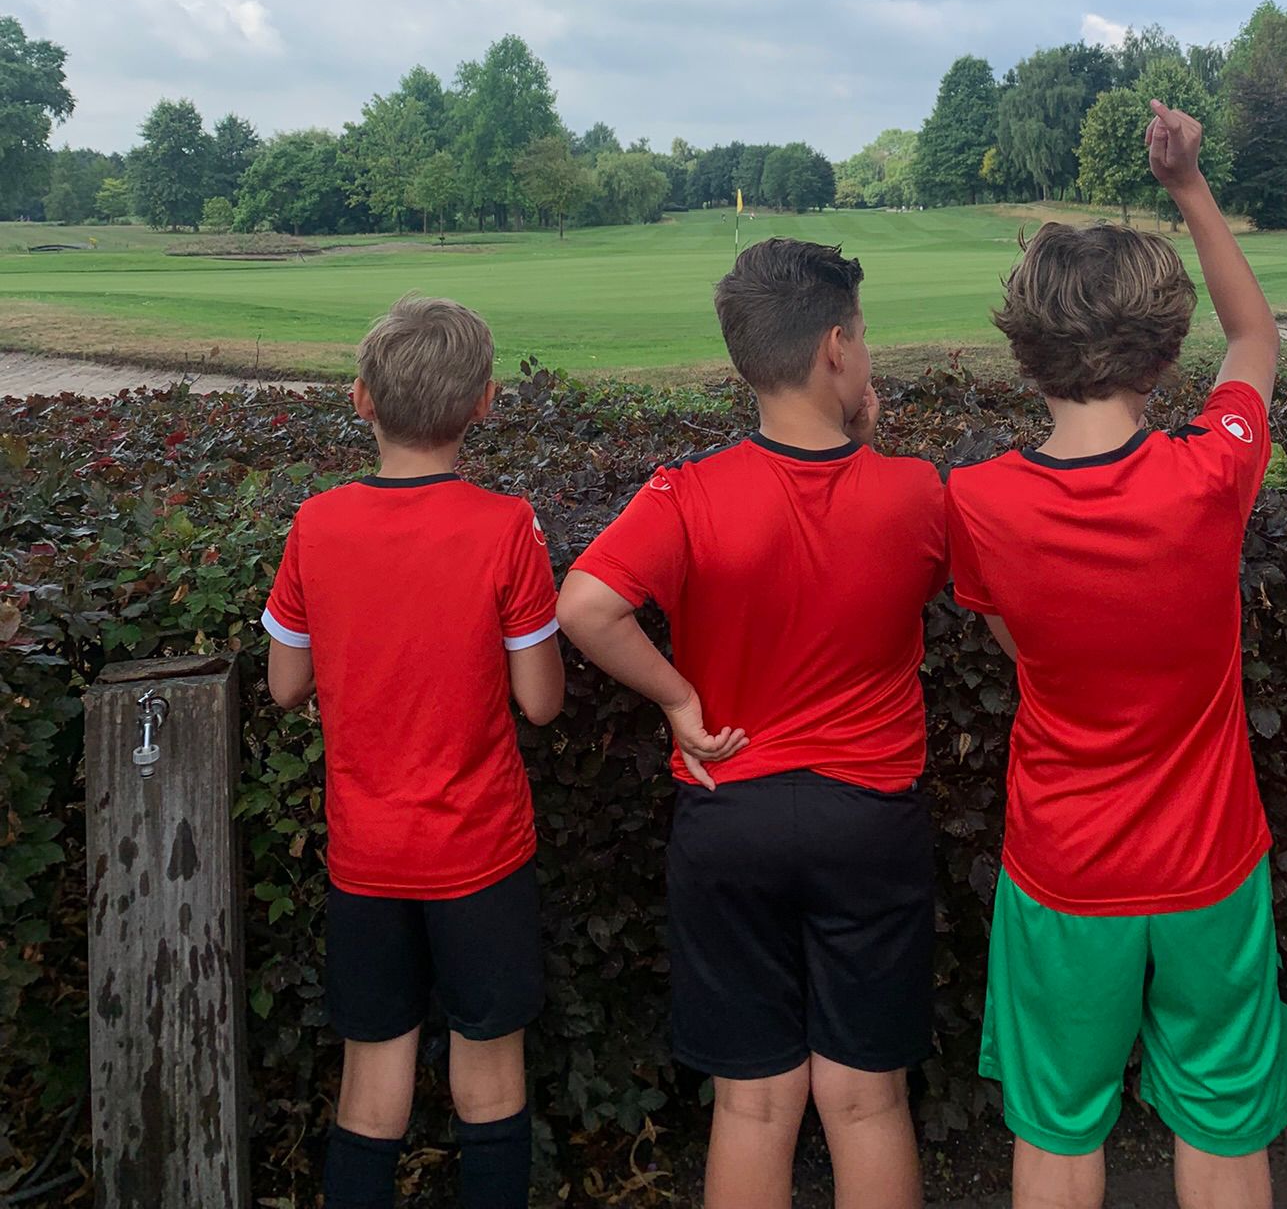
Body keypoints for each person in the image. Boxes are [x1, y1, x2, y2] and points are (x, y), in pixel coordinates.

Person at [945, 103, 1287, 1209]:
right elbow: (1256, 338)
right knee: (1223, 1124)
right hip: (1212, 864)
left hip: (1065, 868)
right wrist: (1188, 185)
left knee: (1059, 1131)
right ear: (1161, 351)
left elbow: (1019, 648)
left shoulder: (978, 501)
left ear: (1026, 348)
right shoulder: (1210, 476)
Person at [556, 239, 947, 1209]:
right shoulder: (917, 491)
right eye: (862, 335)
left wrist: (678, 698)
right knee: (867, 1101)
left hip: (730, 812)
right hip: (869, 818)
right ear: (835, 349)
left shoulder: (687, 491)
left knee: (754, 1104)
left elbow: (587, 604)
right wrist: (873, 450)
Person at [262, 297, 563, 1209]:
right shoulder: (507, 526)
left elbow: (284, 683)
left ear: (361, 398)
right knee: (492, 1083)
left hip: (366, 853)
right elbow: (541, 701)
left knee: (370, 1082)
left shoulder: (316, 523)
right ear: (484, 403)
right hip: (480, 848)